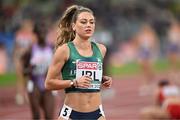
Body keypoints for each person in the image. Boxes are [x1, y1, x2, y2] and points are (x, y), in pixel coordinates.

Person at [45, 5, 112, 120]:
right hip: (72, 114)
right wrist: (74, 83)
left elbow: (90, 76)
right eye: (83, 22)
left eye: (92, 22)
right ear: (74, 26)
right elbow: (49, 83)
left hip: (97, 114)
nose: (88, 25)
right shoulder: (64, 50)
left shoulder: (101, 49)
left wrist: (103, 79)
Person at [22, 22, 55, 120]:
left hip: (48, 84)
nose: (42, 34)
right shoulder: (31, 49)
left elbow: (59, 66)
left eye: (44, 32)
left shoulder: (52, 48)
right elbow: (24, 71)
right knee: (36, 116)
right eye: (40, 32)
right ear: (35, 34)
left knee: (49, 116)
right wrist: (30, 68)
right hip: (34, 84)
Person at [13, 19, 36, 105]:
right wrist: (16, 58)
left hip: (29, 59)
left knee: (29, 79)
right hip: (20, 59)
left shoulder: (33, 35)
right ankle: (19, 95)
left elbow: (33, 47)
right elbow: (16, 47)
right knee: (20, 78)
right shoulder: (19, 34)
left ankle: (28, 95)